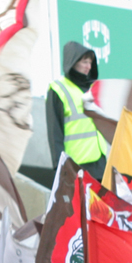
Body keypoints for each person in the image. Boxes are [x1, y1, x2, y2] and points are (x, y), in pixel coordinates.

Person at [46, 41, 107, 182]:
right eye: (85, 62)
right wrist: (60, 168)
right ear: (72, 62)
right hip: (76, 166)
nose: (89, 67)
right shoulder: (58, 89)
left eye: (90, 62)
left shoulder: (93, 88)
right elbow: (55, 133)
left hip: (100, 165)